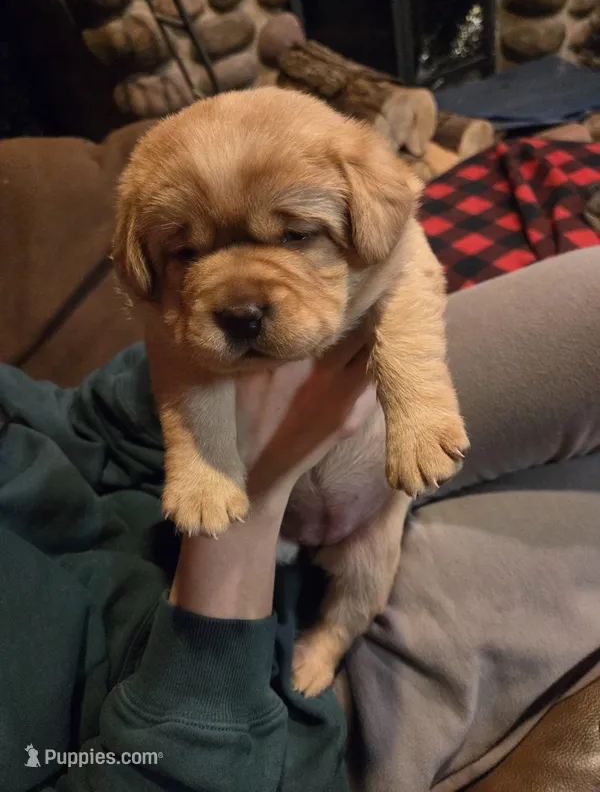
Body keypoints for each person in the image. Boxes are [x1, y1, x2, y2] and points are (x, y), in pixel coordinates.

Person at [0, 247, 599, 792]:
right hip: (261, 703)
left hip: (230, 460)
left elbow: (72, 422)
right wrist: (249, 484)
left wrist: (205, 352)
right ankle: (333, 636)